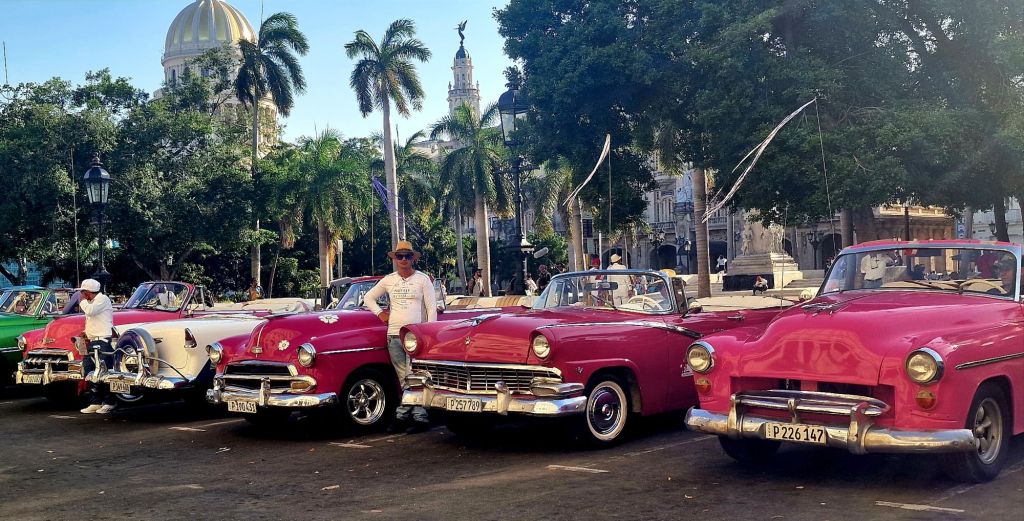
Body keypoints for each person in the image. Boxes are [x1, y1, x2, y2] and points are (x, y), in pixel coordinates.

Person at [363, 241, 436, 434]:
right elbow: (368, 298)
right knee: (404, 377)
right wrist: (380, 314)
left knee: (415, 376)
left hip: (416, 336)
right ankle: (415, 416)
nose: (404, 259)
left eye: (407, 256)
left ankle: (408, 416)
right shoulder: (389, 280)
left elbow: (431, 308)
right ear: (395, 259)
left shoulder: (422, 279)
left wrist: (429, 332)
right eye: (400, 256)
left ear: (413, 259)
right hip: (394, 334)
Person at [78, 279, 117, 414]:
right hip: (92, 341)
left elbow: (90, 311)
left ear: (87, 292)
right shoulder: (93, 302)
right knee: (90, 371)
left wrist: (82, 301)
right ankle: (95, 401)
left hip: (103, 341)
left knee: (105, 373)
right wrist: (86, 332)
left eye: (83, 293)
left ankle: (109, 401)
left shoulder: (102, 299)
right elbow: (94, 319)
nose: (81, 295)